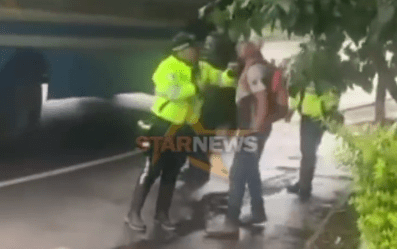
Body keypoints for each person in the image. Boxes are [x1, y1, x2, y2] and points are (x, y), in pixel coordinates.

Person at [205, 41, 288, 239]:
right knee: (250, 170)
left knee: (238, 173)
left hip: (252, 131)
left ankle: (231, 223)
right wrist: (265, 124)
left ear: (248, 51)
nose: (239, 50)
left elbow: (260, 99)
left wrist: (255, 127)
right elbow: (283, 101)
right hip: (261, 129)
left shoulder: (253, 71)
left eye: (242, 47)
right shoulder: (271, 70)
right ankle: (258, 213)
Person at [125, 32, 205, 232]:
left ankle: (162, 214)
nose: (196, 52)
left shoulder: (198, 68)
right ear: (183, 50)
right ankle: (133, 213)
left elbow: (219, 77)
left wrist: (230, 75)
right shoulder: (166, 67)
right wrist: (195, 87)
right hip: (162, 126)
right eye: (193, 48)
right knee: (151, 169)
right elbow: (173, 92)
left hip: (184, 128)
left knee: (172, 171)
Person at [285, 73, 341, 200]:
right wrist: (291, 111)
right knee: (307, 153)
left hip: (316, 120)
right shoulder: (307, 77)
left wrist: (327, 112)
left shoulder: (324, 79)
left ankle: (304, 188)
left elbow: (333, 100)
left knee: (308, 154)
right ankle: (303, 183)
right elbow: (298, 95)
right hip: (307, 119)